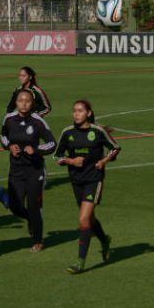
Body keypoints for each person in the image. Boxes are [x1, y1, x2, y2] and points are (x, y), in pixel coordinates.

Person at [54, 100, 120, 274]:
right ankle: (104, 239)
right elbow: (57, 156)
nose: (76, 114)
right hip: (76, 180)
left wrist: (104, 161)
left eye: (80, 111)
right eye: (74, 110)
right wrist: (71, 160)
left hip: (94, 179)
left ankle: (80, 262)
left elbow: (115, 148)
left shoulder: (97, 131)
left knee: (83, 219)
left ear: (89, 113)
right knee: (89, 219)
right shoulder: (67, 133)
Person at [0, 89, 57, 251]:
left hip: (35, 171)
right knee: (15, 206)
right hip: (16, 169)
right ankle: (30, 219)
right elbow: (2, 136)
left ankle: (38, 240)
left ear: (32, 103)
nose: (24, 104)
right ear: (16, 102)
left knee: (34, 206)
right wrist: (9, 146)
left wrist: (36, 149)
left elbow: (52, 143)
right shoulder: (9, 119)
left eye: (27, 101)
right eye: (20, 101)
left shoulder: (38, 121)